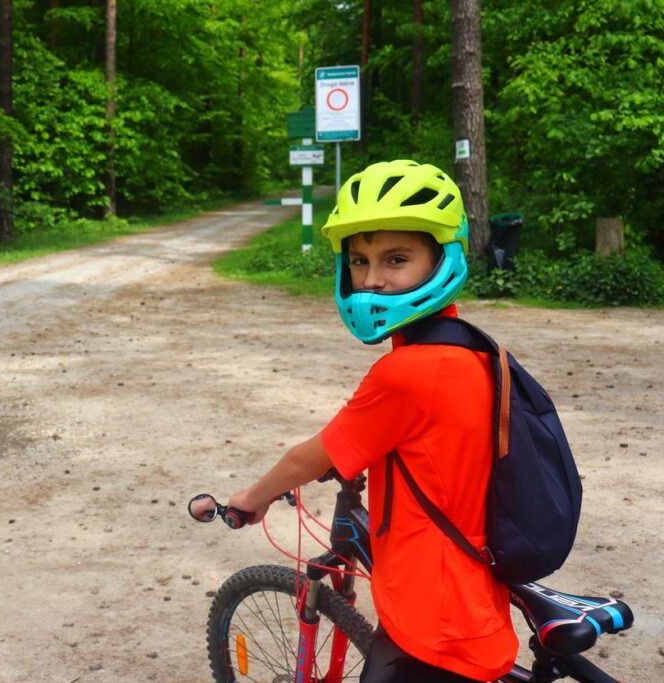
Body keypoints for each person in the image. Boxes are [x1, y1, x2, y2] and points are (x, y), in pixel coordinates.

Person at [207, 160, 518, 682]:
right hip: (470, 595)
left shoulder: (408, 372)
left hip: (433, 625)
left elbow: (312, 456)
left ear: (442, 258)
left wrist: (252, 499)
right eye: (359, 260)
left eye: (396, 259)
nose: (373, 280)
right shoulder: (474, 351)